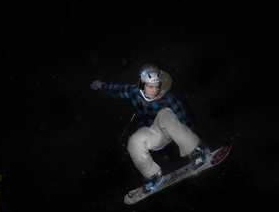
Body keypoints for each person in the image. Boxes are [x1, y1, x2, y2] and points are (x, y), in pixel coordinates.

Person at [90, 64, 210, 193]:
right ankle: (153, 175)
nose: (154, 91)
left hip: (170, 129)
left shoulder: (166, 97)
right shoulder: (134, 91)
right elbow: (117, 90)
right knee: (134, 140)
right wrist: (101, 85)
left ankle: (195, 151)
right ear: (142, 85)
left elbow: (183, 119)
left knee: (164, 114)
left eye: (157, 87)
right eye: (151, 87)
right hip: (153, 136)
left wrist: (199, 142)